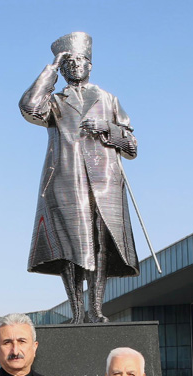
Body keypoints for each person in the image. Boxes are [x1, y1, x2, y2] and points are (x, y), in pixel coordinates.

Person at [20, 31, 139, 324]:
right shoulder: (55, 101)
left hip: (105, 183)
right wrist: (50, 69)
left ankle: (95, 309)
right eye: (68, 63)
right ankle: (76, 313)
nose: (75, 66)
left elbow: (132, 147)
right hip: (65, 179)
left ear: (90, 65)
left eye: (80, 60)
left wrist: (107, 128)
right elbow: (30, 107)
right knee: (70, 244)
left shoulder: (108, 99)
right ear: (61, 70)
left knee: (100, 243)